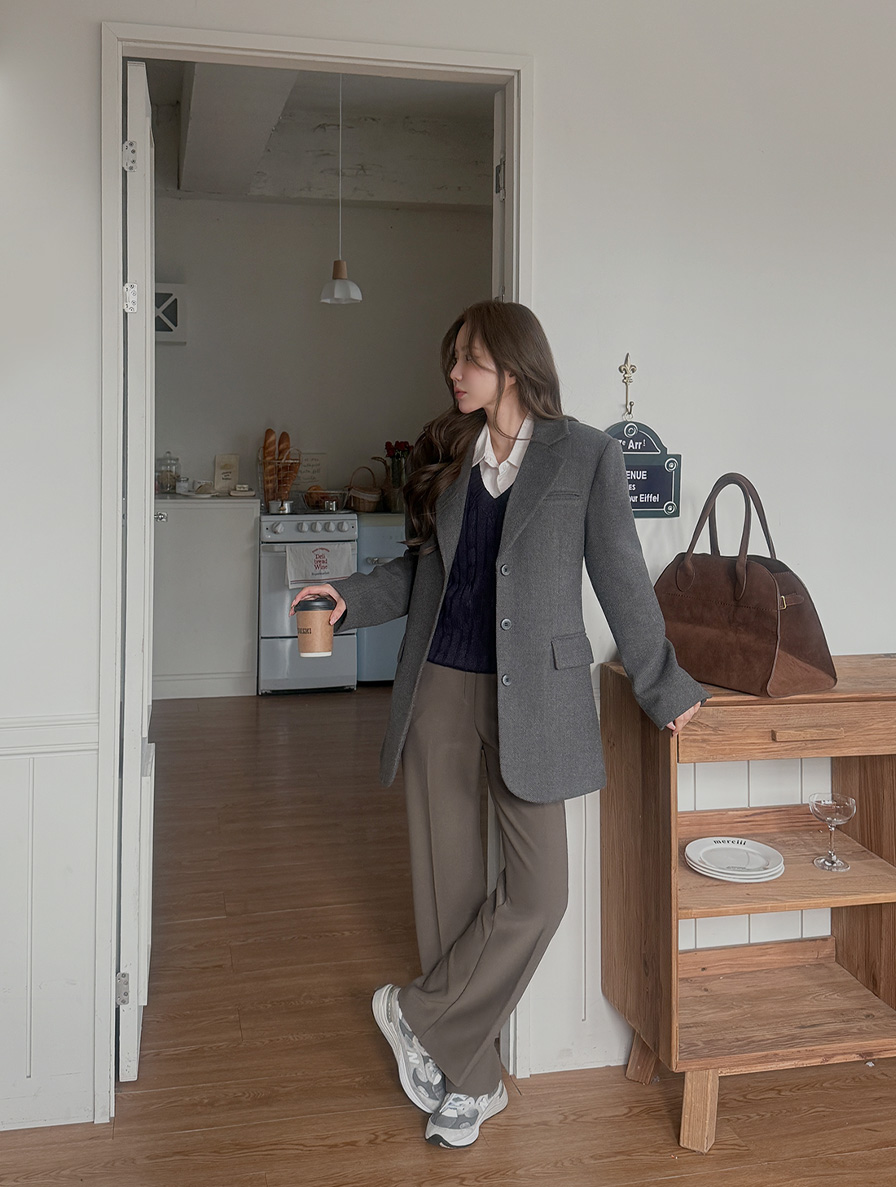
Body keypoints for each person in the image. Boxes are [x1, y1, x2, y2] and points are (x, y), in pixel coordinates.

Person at [291, 300, 704, 1148]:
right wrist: (348, 597)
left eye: (470, 359)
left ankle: (414, 1012)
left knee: (541, 891)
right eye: (454, 359)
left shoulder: (585, 455)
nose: (455, 373)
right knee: (449, 895)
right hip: (440, 687)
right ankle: (473, 1084)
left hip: (537, 699)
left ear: (514, 365)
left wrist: (664, 682)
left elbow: (621, 577)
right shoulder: (447, 452)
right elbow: (419, 573)